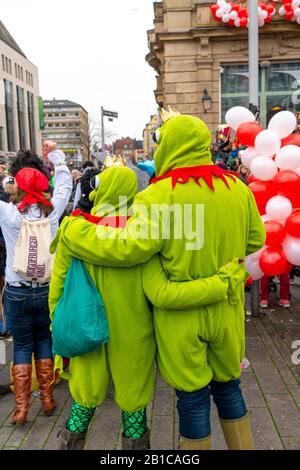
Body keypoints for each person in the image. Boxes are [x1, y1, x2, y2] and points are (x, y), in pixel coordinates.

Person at [57, 111, 265, 450]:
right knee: (229, 387)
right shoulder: (237, 189)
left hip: (179, 316)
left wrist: (76, 232)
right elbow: (255, 240)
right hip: (226, 309)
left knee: (194, 397)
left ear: (169, 146)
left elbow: (129, 248)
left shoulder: (156, 197)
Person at [0, 145, 72, 425]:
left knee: (21, 346)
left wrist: (8, 181)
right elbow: (65, 182)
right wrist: (56, 155)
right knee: (45, 341)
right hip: (45, 288)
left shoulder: (8, 213)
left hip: (17, 291)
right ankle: (47, 398)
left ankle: (21, 409)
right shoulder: (52, 212)